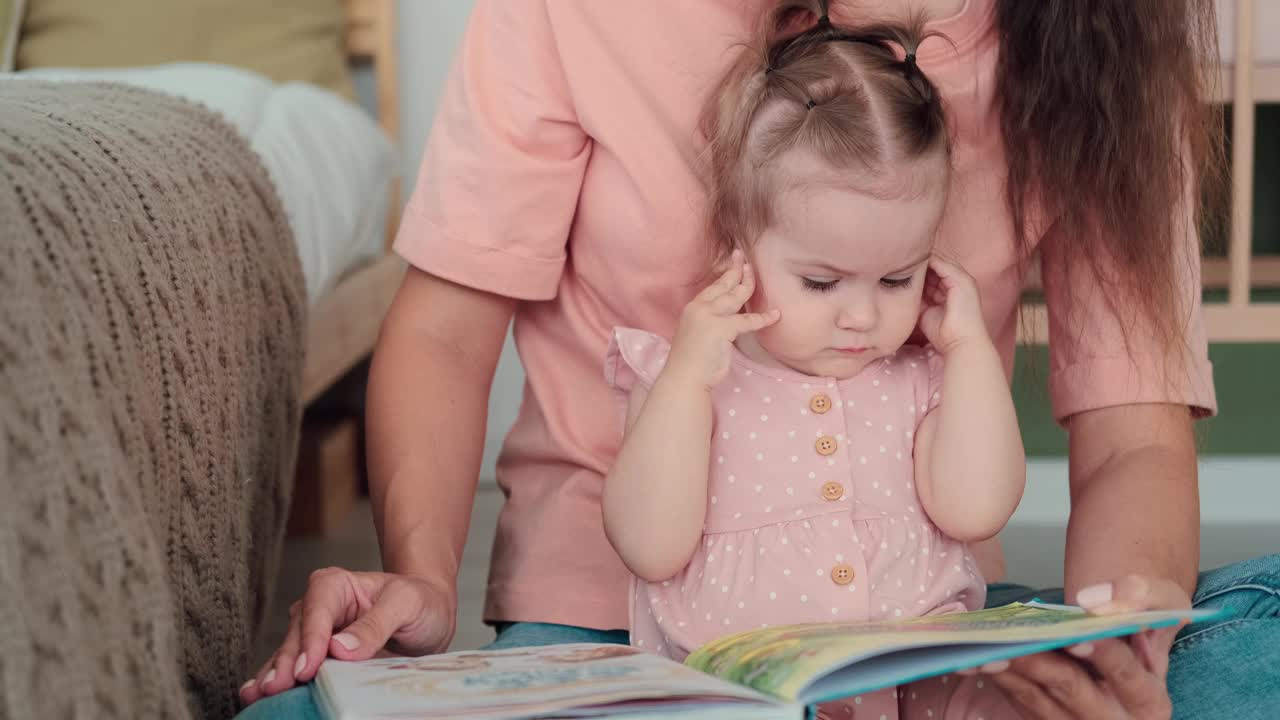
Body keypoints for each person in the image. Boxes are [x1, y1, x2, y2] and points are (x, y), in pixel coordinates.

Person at [238, 1, 1280, 718]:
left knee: (1258, 630)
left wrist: (1120, 655)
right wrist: (418, 577)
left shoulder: (1093, 48)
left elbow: (1129, 434)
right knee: (295, 709)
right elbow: (445, 325)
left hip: (913, 635)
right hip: (612, 638)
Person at [601, 10, 1024, 716]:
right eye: (822, 283)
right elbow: (650, 547)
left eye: (897, 279)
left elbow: (977, 508)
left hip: (910, 688)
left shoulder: (924, 384)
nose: (861, 316)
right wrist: (684, 382)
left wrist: (971, 351)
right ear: (738, 249)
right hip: (738, 690)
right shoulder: (687, 384)